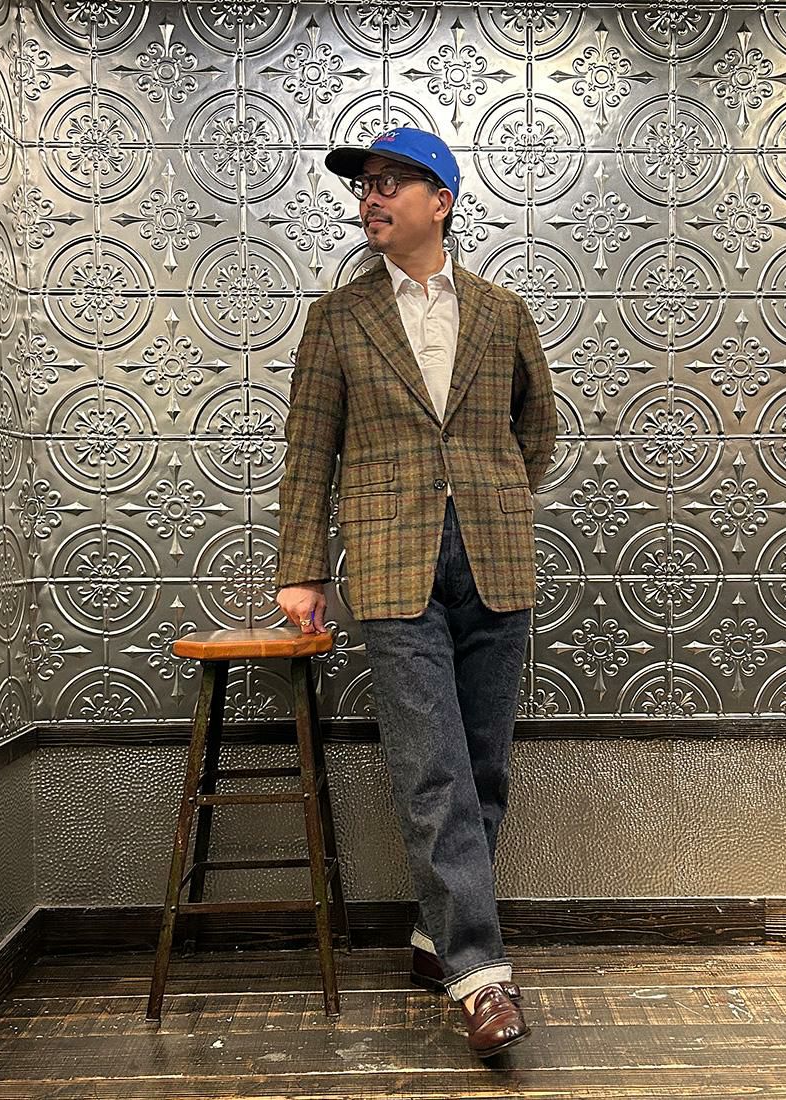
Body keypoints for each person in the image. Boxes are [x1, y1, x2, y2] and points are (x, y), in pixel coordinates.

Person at [273, 126, 557, 1058]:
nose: (371, 197)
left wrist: (496, 494)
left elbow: (537, 428)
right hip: (391, 564)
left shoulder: (502, 311)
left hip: (495, 557)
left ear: (442, 201)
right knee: (430, 765)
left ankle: (437, 938)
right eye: (364, 185)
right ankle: (480, 975)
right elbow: (308, 451)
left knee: (483, 766)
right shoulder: (337, 318)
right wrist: (302, 569)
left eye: (392, 182)